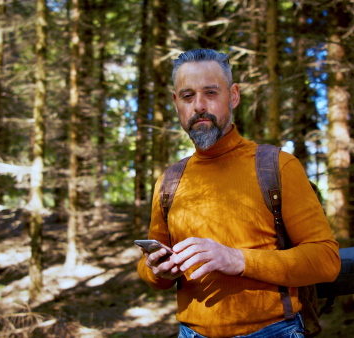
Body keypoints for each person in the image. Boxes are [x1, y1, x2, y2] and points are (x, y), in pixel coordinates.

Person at [136, 49, 340, 338]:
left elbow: (326, 260)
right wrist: (157, 270)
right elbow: (148, 268)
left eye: (210, 93)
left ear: (233, 96)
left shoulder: (278, 166)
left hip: (274, 332)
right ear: (176, 103)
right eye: (188, 96)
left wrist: (238, 259)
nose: (199, 106)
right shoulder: (169, 181)